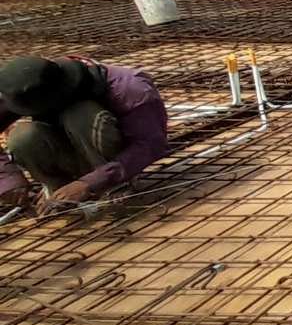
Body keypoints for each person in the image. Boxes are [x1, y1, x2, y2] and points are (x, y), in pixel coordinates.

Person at [0, 55, 170, 212]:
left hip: (112, 157)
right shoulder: (24, 89)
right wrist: (8, 180)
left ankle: (112, 186)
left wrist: (90, 183)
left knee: (80, 114)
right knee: (22, 135)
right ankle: (59, 191)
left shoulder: (130, 89)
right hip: (68, 150)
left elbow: (150, 145)